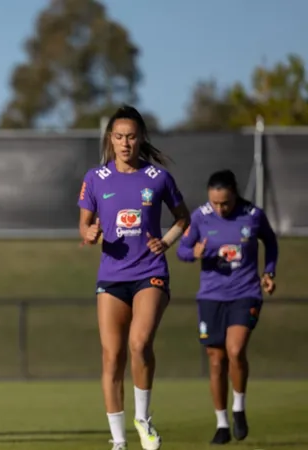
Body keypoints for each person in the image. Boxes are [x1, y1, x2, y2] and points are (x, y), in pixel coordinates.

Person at [77, 105, 191, 450]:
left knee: (139, 344)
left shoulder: (158, 179)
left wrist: (166, 241)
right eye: (119, 136)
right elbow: (84, 226)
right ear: (110, 140)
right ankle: (118, 440)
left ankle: (143, 418)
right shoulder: (96, 178)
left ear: (141, 139)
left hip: (150, 273)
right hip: (111, 277)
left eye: (131, 136)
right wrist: (91, 233)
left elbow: (183, 218)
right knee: (112, 356)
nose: (125, 143)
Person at [176, 169, 277, 445]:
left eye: (226, 203)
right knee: (216, 359)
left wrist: (269, 272)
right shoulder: (200, 216)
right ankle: (221, 423)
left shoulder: (253, 215)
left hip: (245, 292)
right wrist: (194, 253)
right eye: (216, 203)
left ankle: (239, 408)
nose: (220, 208)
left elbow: (270, 241)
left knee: (235, 350)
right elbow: (182, 250)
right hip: (211, 296)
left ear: (235, 195)